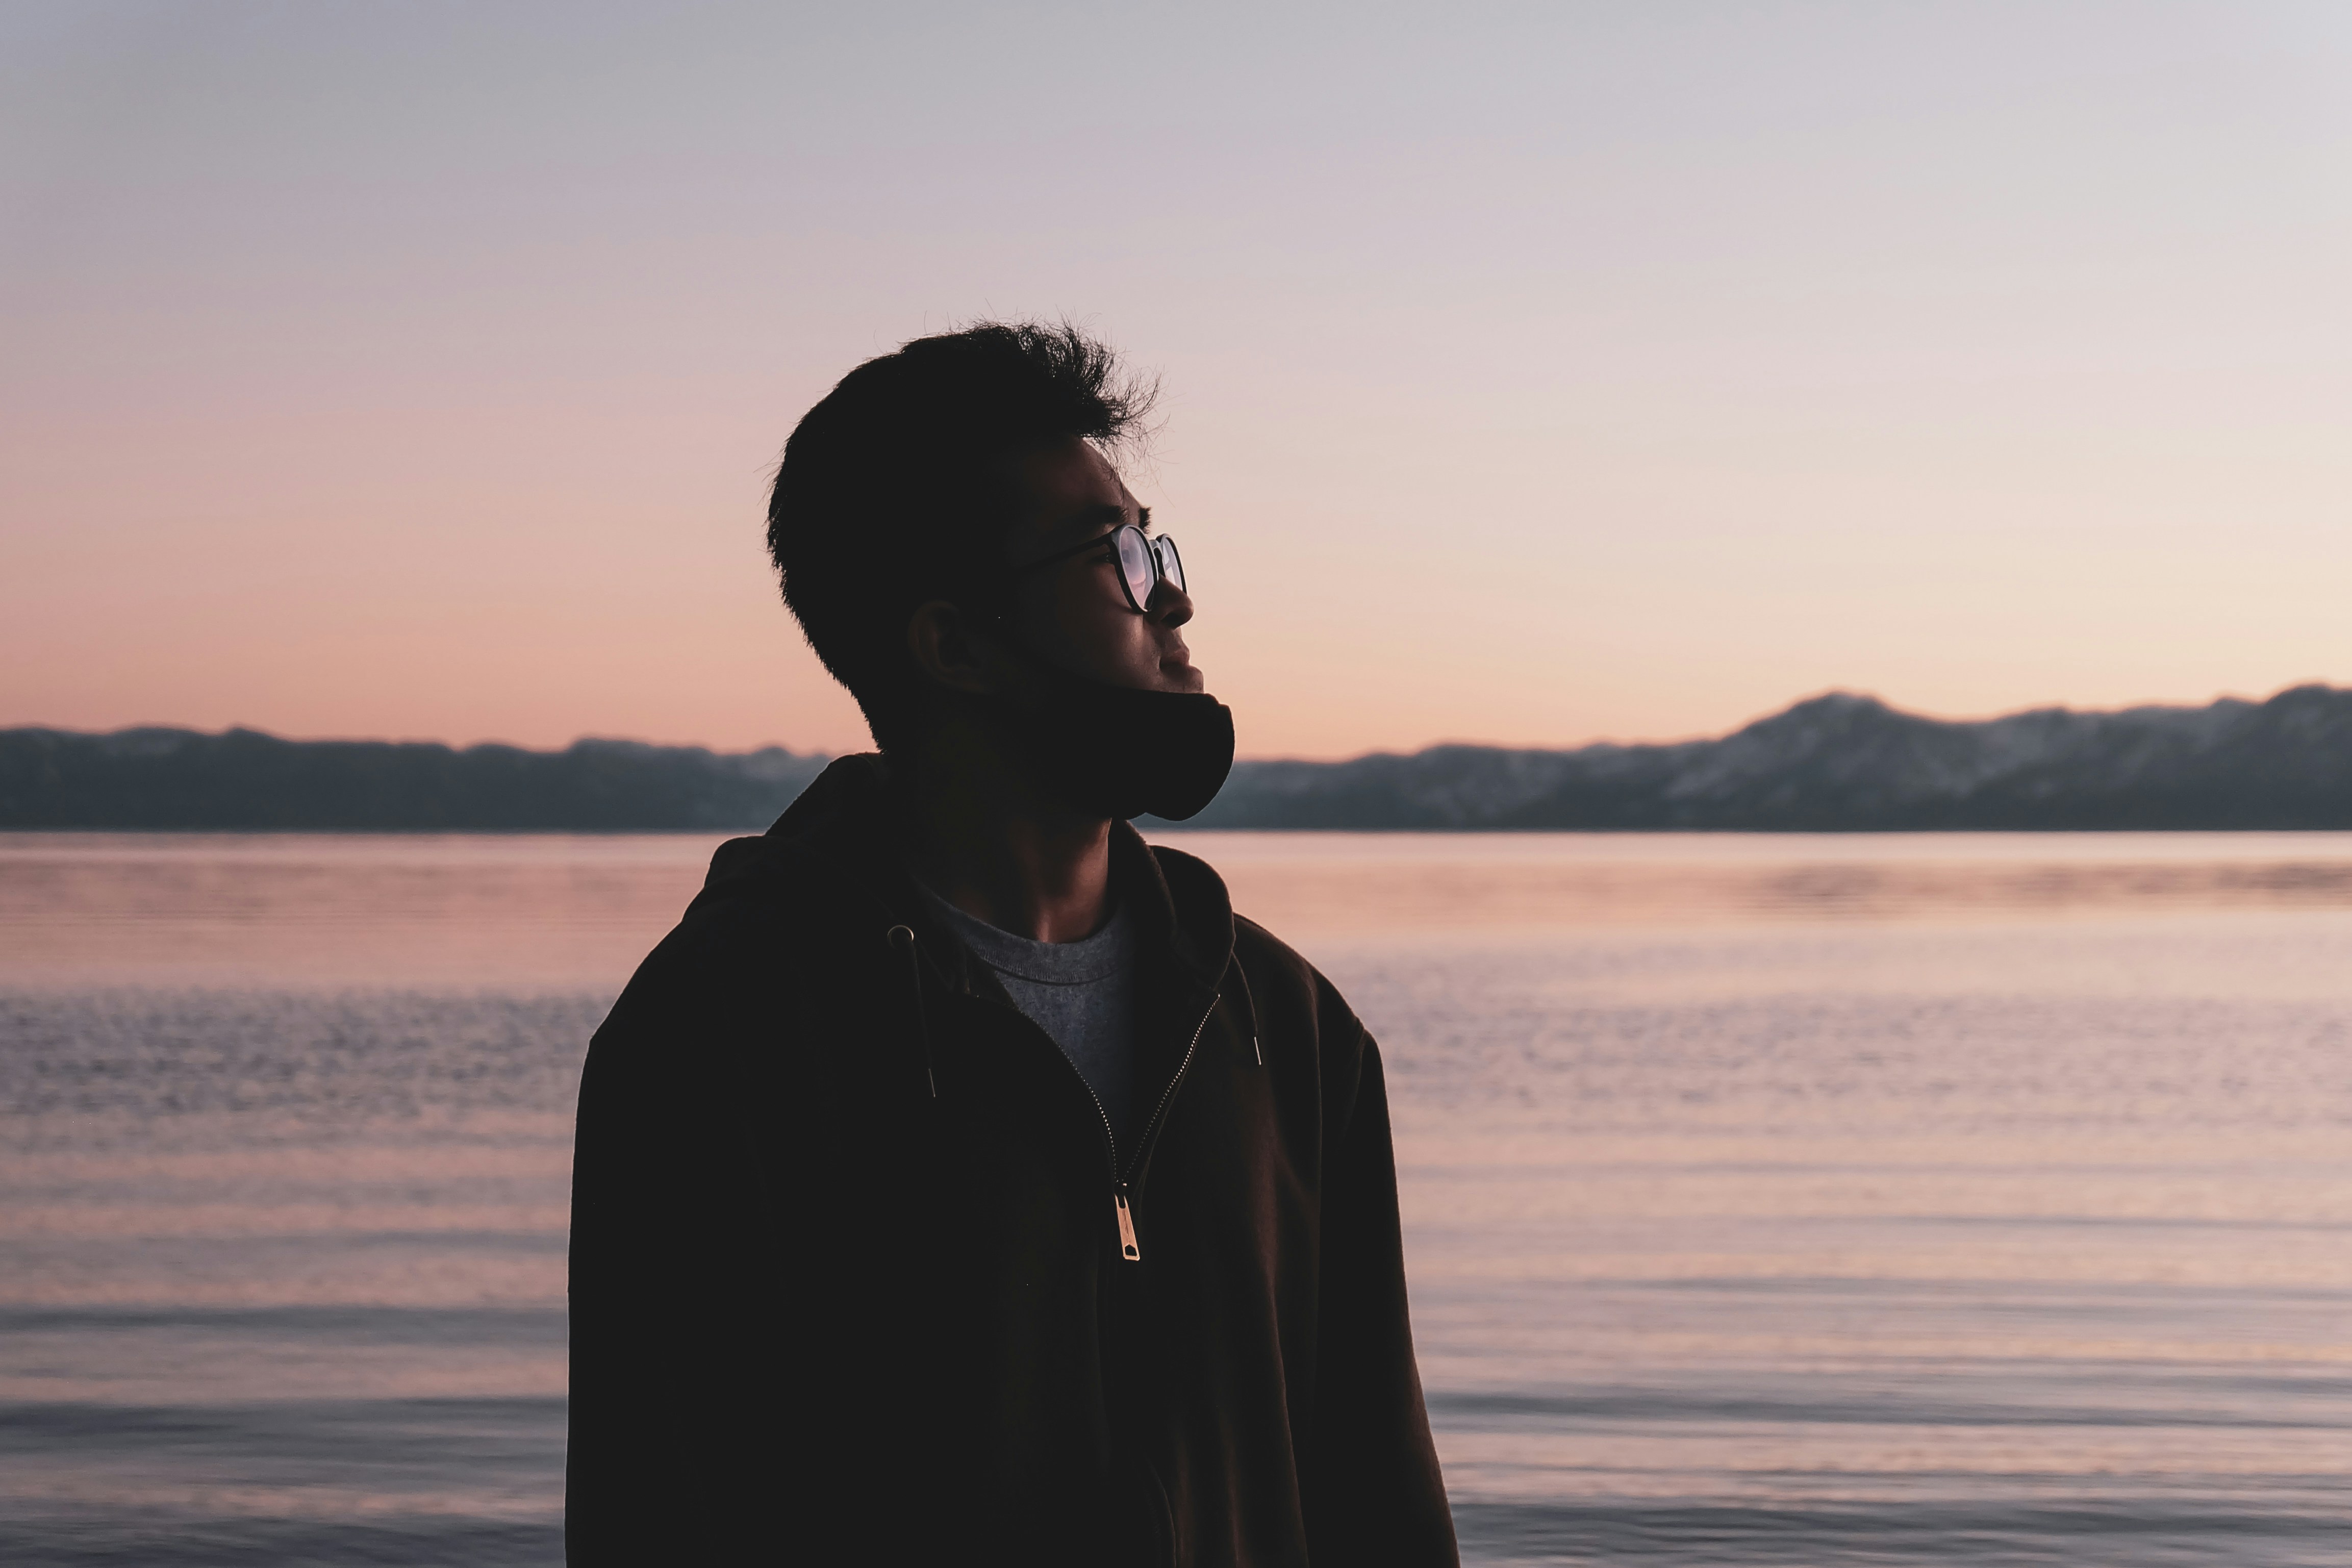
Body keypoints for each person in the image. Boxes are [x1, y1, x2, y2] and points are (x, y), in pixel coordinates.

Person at [566, 322, 1458, 1565]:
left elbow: (1377, 1492)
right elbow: (661, 1508)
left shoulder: (1286, 1029)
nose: (1177, 595)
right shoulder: (719, 1037)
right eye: (1120, 559)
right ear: (956, 646)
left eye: (1160, 545)